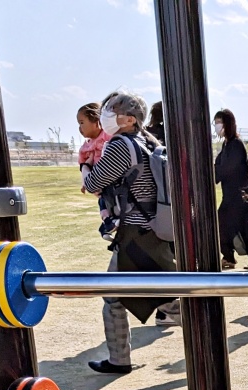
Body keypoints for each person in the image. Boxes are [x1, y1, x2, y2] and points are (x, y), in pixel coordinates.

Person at [82, 90, 181, 375]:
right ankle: (119, 358)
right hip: (154, 229)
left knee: (119, 296)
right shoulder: (148, 142)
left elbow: (94, 183)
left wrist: (85, 169)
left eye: (111, 111)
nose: (105, 116)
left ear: (127, 119)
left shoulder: (120, 145)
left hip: (135, 233)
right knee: (163, 295)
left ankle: (120, 360)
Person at [213, 108, 248, 269]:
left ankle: (234, 256)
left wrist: (213, 174)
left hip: (238, 196)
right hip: (230, 195)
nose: (216, 126)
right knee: (224, 225)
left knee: (232, 226)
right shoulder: (227, 144)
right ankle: (228, 256)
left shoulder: (236, 145)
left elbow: (227, 169)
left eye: (219, 123)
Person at [76, 102, 115, 241]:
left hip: (110, 178)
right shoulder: (87, 145)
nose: (80, 128)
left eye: (82, 122)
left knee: (109, 200)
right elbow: (82, 162)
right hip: (99, 180)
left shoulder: (107, 136)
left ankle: (108, 224)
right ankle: (107, 224)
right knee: (102, 202)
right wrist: (84, 182)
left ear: (97, 121)